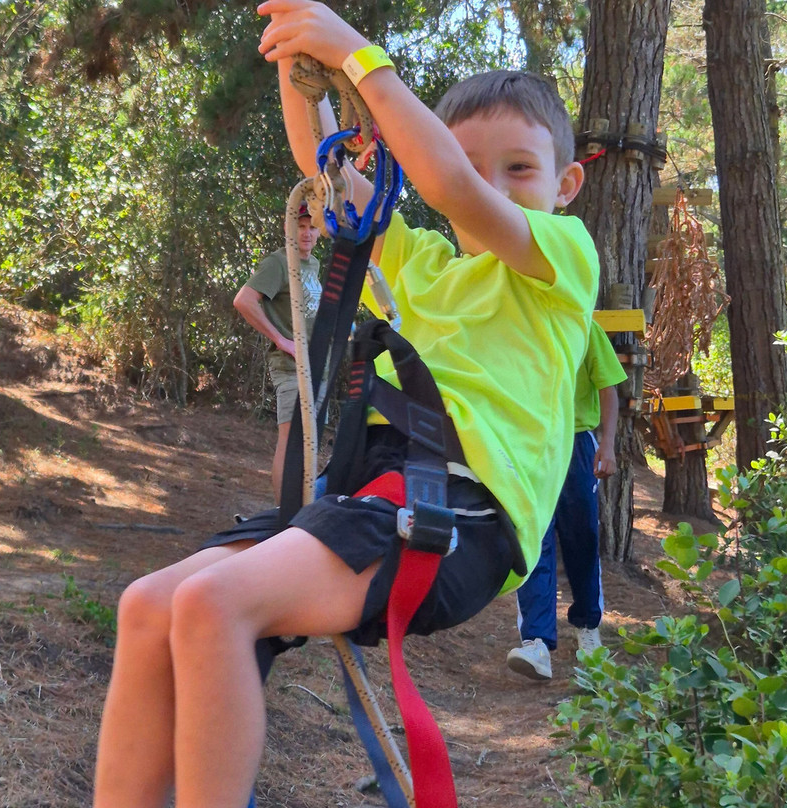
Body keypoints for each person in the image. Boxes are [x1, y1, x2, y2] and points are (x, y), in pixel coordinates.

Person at [91, 2, 599, 805]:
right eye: (476, 163)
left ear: (566, 184)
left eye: (520, 169)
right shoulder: (423, 264)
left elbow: (450, 186)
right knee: (151, 605)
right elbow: (333, 178)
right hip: (377, 493)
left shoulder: (562, 259)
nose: (493, 184)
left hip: (462, 514)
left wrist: (361, 57)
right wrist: (306, 70)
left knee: (212, 606)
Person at [505, 321, 626, 681]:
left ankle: (588, 627)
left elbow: (608, 387)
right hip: (531, 445)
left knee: (582, 537)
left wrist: (606, 443)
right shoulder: (522, 320)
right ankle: (536, 642)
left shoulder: (586, 327)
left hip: (577, 444)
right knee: (533, 539)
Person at [233, 204, 322, 501]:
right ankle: (283, 515)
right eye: (300, 225)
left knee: (307, 440)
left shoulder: (313, 264)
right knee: (290, 438)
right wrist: (283, 341)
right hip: (288, 365)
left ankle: (300, 509)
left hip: (311, 366)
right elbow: (244, 301)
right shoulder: (279, 262)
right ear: (288, 228)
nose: (306, 233)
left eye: (312, 226)